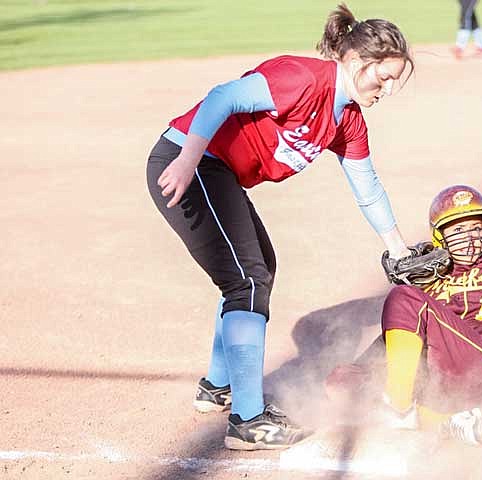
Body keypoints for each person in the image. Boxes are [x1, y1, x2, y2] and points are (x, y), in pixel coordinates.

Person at [146, 3, 415, 451]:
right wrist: (188, 159)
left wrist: (398, 247)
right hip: (190, 162)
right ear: (353, 61)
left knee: (258, 270)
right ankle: (246, 421)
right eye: (381, 76)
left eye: (393, 80)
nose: (386, 88)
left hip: (217, 171)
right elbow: (223, 97)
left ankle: (218, 386)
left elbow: (366, 185)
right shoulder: (304, 78)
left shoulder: (347, 121)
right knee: (248, 280)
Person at [379, 185, 482, 445]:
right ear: (440, 237)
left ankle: (398, 408)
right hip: (445, 378)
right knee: (344, 381)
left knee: (404, 297)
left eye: (476, 228)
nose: (470, 237)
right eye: (458, 230)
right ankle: (449, 423)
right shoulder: (431, 277)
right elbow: (404, 331)